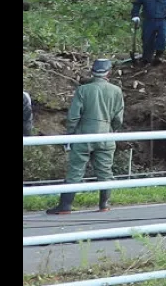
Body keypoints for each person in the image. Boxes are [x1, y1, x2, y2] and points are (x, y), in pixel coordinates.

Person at [46, 59, 125, 215]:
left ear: (92, 71)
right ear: (109, 72)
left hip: (83, 136)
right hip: (106, 136)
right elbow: (118, 119)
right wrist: (111, 130)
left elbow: (73, 117)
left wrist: (70, 135)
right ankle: (104, 204)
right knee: (105, 171)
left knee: (75, 170)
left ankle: (65, 206)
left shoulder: (83, 90)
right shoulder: (116, 91)